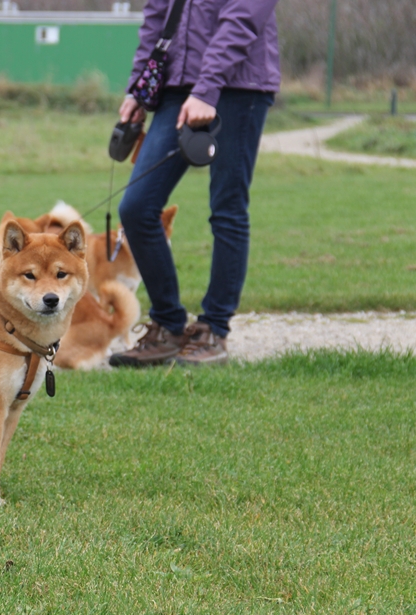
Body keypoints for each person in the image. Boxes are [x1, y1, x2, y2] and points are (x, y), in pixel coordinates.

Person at [109, 0, 280, 367]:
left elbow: (244, 17)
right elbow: (156, 17)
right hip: (176, 87)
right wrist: (139, 88)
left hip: (238, 85)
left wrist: (208, 87)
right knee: (136, 207)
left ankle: (213, 330)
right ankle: (169, 326)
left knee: (227, 207)